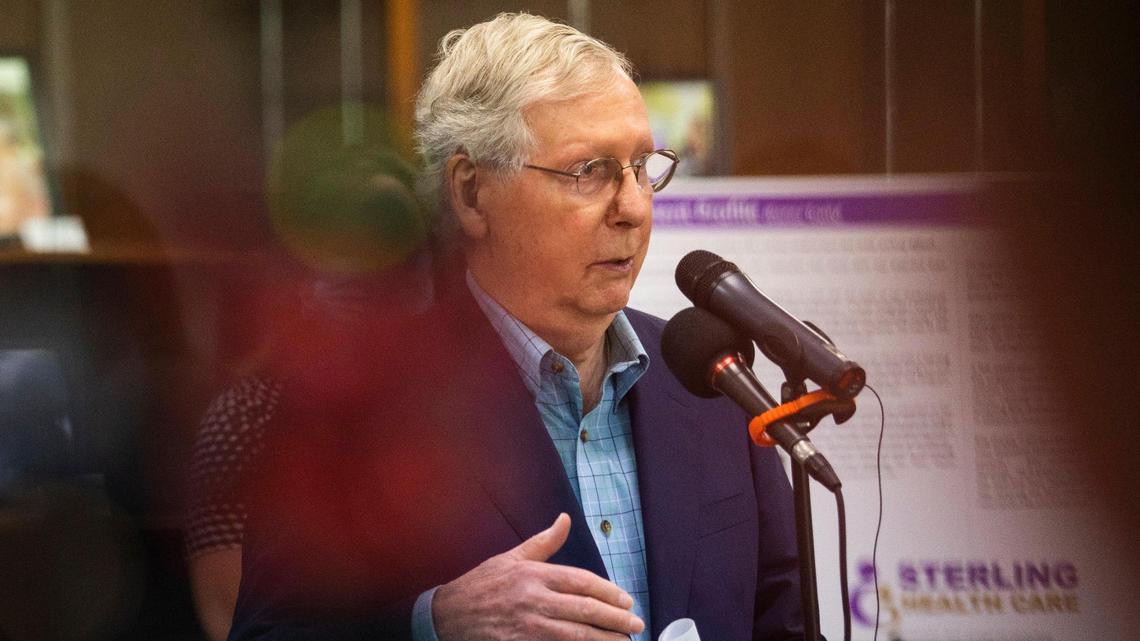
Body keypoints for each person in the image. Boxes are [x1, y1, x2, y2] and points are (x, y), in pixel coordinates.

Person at [229, 13, 804, 641]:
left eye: (642, 166)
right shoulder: (359, 402)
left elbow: (783, 618)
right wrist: (435, 623)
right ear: (472, 193)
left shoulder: (709, 380)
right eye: (589, 171)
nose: (635, 208)